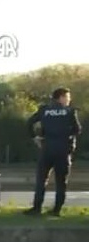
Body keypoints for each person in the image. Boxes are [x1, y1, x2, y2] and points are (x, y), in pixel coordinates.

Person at [24, 87, 81, 217]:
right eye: (67, 97)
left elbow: (29, 123)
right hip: (63, 151)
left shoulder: (44, 110)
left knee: (41, 180)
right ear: (60, 97)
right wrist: (68, 137)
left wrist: (35, 137)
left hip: (47, 149)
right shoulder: (70, 112)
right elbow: (77, 130)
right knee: (61, 182)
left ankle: (36, 208)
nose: (69, 99)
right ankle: (56, 210)